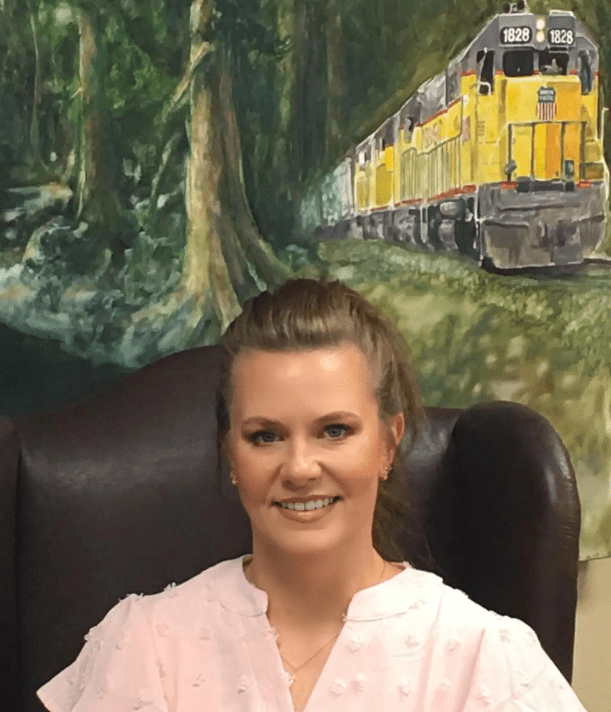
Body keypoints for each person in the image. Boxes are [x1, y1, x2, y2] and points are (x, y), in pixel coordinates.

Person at [37, 276, 588, 712]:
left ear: (388, 445)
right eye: (265, 436)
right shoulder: (146, 648)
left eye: (334, 431)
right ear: (232, 455)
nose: (300, 468)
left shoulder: (484, 660)